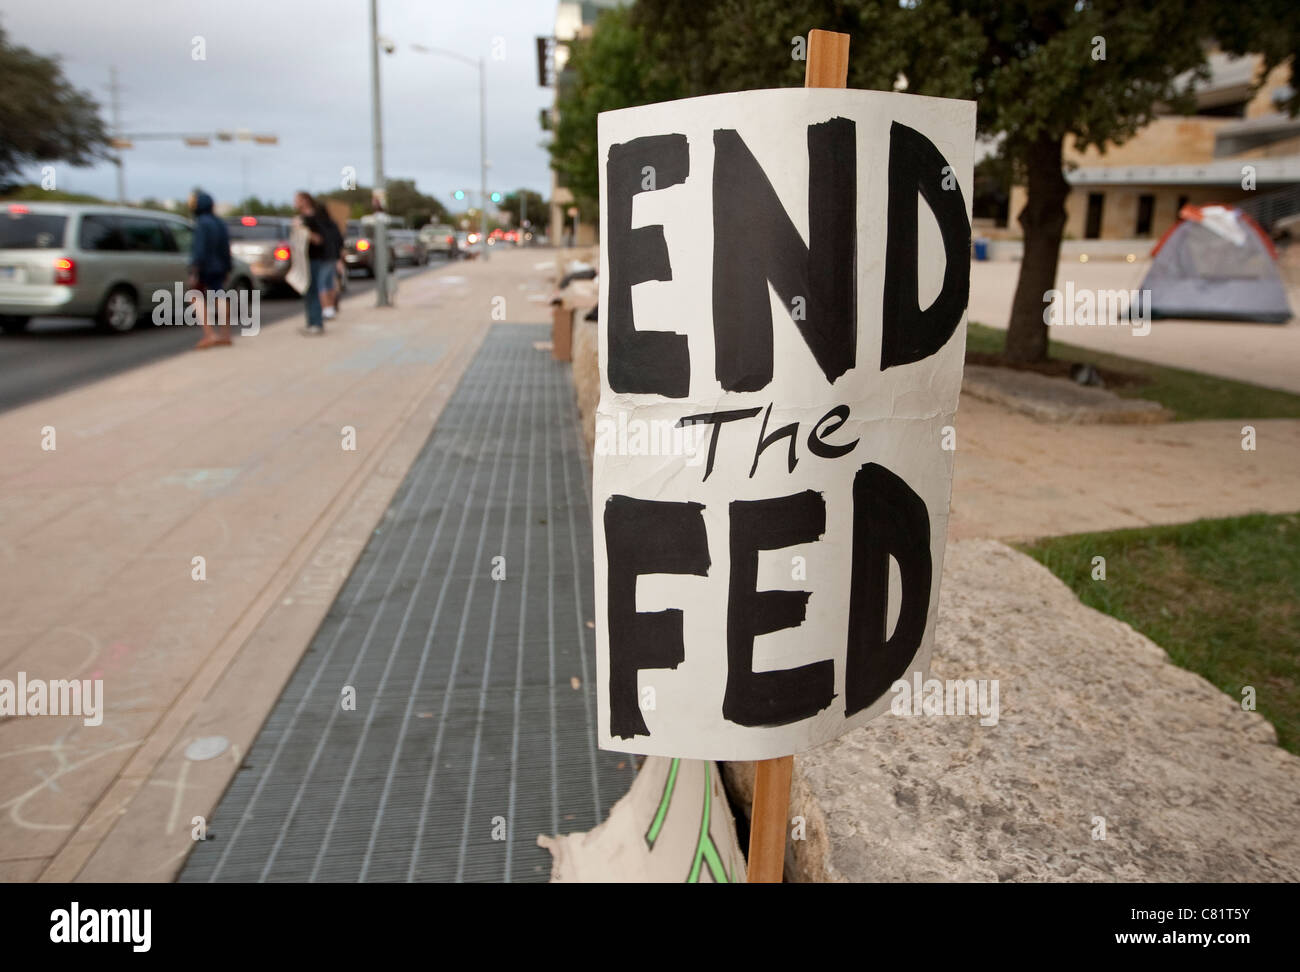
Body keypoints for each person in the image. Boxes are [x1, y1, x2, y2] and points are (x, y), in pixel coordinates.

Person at [188, 190, 233, 349]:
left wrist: (194, 270)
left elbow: (199, 249)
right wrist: (228, 267)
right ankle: (225, 335)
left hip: (205, 266)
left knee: (195, 296)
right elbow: (226, 248)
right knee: (219, 296)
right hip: (220, 266)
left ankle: (209, 335)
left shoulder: (201, 223)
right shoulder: (219, 222)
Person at [292, 191, 341, 334]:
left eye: (297, 199)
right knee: (314, 289)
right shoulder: (305, 218)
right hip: (308, 259)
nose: (294, 202)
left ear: (305, 200)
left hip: (317, 258)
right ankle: (314, 321)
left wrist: (302, 229)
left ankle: (317, 322)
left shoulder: (314, 218)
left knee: (317, 289)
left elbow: (320, 239)